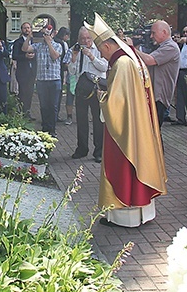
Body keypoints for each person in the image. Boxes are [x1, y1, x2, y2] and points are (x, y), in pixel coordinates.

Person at [84, 13, 167, 227]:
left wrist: (102, 98)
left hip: (125, 130)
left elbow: (117, 104)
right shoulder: (132, 57)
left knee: (121, 166)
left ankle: (123, 213)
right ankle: (141, 210)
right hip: (137, 123)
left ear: (109, 46)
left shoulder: (121, 63)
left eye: (101, 49)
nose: (101, 54)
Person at [67, 27, 108, 162]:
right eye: (82, 39)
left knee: (98, 120)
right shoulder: (75, 49)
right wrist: (73, 58)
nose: (85, 41)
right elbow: (72, 72)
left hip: (97, 89)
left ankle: (99, 151)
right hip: (81, 89)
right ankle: (82, 149)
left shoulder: (100, 49)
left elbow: (104, 67)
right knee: (81, 120)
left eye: (88, 38)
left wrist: (91, 56)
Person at [130, 20, 180, 128]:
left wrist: (132, 49)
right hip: (154, 95)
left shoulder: (171, 47)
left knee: (154, 134)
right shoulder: (161, 46)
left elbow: (149, 60)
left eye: (154, 33)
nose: (151, 36)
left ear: (164, 32)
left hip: (160, 97)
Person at [22, 24, 62, 137]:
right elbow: (25, 49)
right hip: (42, 80)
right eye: (43, 34)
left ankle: (52, 129)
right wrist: (29, 37)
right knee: (44, 106)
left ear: (53, 34)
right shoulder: (38, 46)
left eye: (47, 34)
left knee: (53, 106)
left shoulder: (58, 45)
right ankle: (45, 128)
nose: (45, 36)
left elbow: (55, 56)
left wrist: (49, 43)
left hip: (54, 80)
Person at [12, 22, 37, 119]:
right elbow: (14, 56)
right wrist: (25, 56)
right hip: (22, 71)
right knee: (22, 92)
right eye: (25, 28)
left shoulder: (34, 42)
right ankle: (20, 112)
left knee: (30, 93)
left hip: (32, 71)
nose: (27, 30)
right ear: (21, 30)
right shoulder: (17, 42)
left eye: (28, 28)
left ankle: (27, 112)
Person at [54, 27, 71, 122]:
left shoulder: (53, 41)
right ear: (65, 35)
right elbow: (65, 58)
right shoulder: (62, 43)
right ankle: (56, 114)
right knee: (58, 93)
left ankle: (53, 114)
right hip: (60, 69)